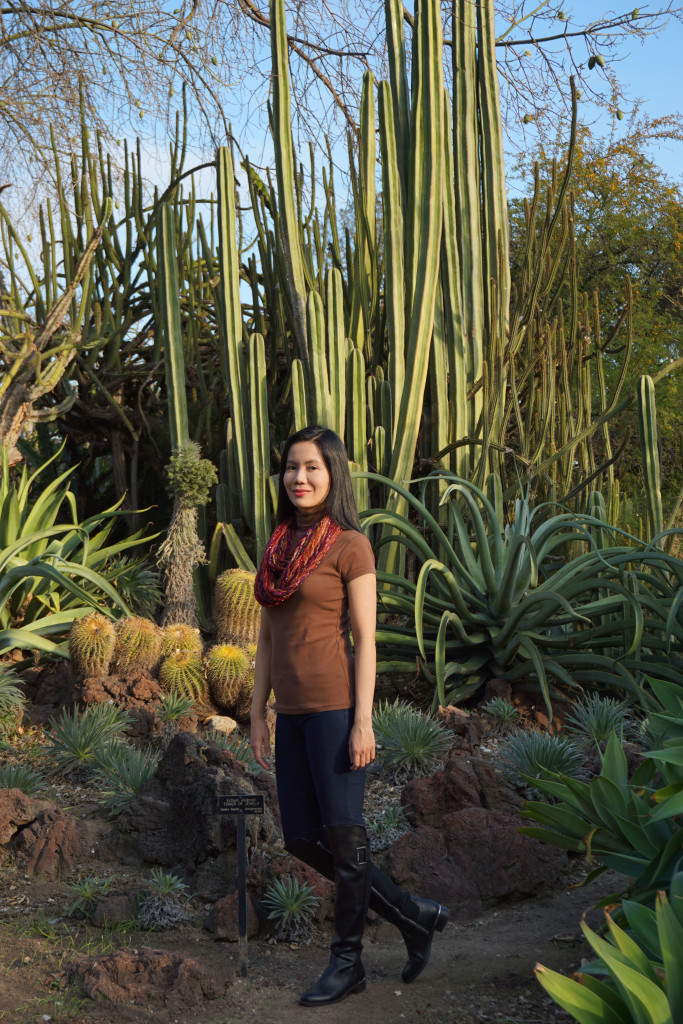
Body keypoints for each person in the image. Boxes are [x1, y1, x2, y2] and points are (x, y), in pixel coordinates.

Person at [250, 425, 449, 1008]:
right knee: (303, 839)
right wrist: (257, 715)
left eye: (311, 467)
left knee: (345, 837)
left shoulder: (350, 545)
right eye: (291, 467)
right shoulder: (278, 545)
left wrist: (364, 721)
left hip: (336, 710)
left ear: (332, 473)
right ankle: (412, 915)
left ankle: (348, 963)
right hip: (291, 716)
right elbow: (265, 640)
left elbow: (366, 639)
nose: (299, 478)